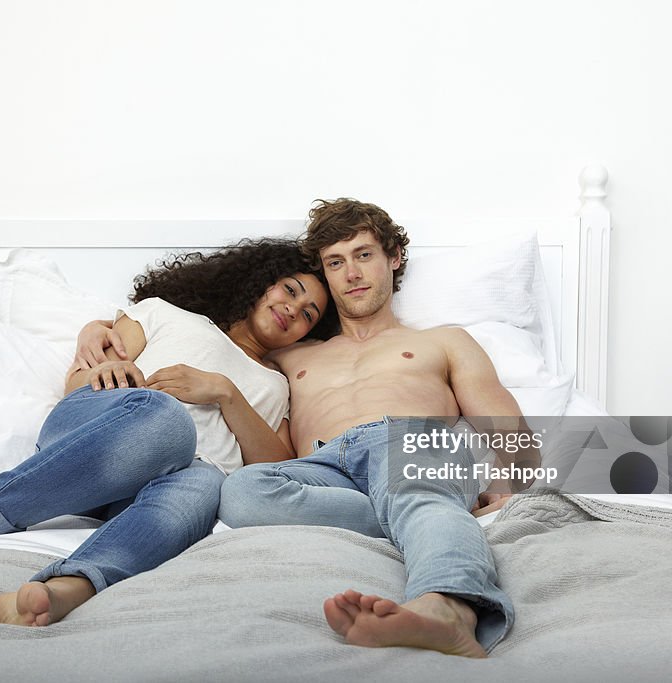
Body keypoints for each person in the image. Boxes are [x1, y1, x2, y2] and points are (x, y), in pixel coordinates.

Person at [0, 238, 334, 627]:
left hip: (154, 493)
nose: (293, 309)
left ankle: (68, 588)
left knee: (208, 479)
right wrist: (107, 372)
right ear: (262, 282)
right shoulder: (164, 313)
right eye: (290, 291)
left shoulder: (275, 384)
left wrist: (224, 392)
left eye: (309, 313)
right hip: (93, 439)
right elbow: (74, 383)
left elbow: (272, 470)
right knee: (165, 418)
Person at [212, 200, 528, 657]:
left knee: (414, 491)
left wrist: (505, 483)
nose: (352, 273)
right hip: (324, 463)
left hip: (411, 441)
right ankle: (417, 519)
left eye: (363, 255)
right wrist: (102, 330)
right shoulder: (290, 355)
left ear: (394, 257)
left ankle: (450, 607)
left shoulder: (443, 341)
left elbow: (507, 426)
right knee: (243, 490)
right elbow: (192, 333)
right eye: (335, 262)